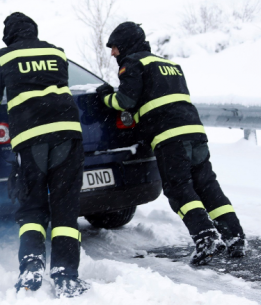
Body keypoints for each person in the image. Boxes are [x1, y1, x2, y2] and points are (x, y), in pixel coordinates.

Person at [97, 21, 246, 265]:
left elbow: (125, 100)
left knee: (179, 189)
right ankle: (235, 237)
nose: (113, 52)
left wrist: (105, 96)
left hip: (170, 137)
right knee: (207, 185)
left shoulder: (132, 63)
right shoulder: (168, 64)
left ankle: (205, 237)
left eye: (114, 46)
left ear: (124, 44)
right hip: (195, 132)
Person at [0, 12, 89, 298]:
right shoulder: (56, 52)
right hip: (67, 132)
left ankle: (31, 265)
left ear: (9, 35)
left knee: (32, 205)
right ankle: (66, 274)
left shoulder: (3, 57)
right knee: (65, 205)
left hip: (30, 137)